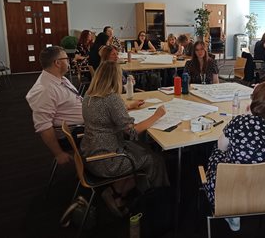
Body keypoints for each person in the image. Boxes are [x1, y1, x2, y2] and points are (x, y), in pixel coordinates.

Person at [81, 60, 169, 216]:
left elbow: (106, 116)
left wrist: (127, 107)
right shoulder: (112, 98)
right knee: (154, 159)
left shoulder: (88, 95)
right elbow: (133, 132)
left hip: (90, 152)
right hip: (108, 159)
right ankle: (158, 202)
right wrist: (156, 116)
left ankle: (117, 193)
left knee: (142, 149)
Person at [205, 82, 265, 231]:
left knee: (217, 153)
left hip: (228, 192)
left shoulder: (239, 122)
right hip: (264, 192)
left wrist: (246, 118)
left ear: (256, 102)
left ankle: (232, 213)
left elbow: (221, 147)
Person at [26, 46, 83, 165]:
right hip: (74, 133)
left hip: (81, 125)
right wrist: (58, 153)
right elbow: (43, 125)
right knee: (116, 129)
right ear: (57, 63)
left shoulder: (59, 79)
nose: (70, 61)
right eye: (66, 59)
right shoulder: (44, 90)